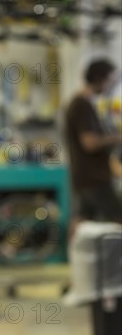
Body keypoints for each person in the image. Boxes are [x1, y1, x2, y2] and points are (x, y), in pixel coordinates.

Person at [64, 58, 122, 224]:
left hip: (84, 177)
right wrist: (117, 138)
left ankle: (74, 249)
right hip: (94, 178)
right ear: (99, 79)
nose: (109, 85)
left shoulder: (78, 103)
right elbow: (89, 143)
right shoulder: (82, 106)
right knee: (117, 221)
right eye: (108, 80)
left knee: (82, 222)